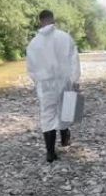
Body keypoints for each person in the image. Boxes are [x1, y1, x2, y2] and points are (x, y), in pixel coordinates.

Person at [26, 10, 81, 163]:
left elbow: (31, 68)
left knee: (47, 114)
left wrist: (37, 82)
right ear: (53, 19)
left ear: (40, 21)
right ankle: (65, 140)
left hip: (45, 83)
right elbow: (74, 59)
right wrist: (75, 79)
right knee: (67, 109)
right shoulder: (65, 37)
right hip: (64, 79)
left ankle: (50, 153)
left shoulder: (33, 43)